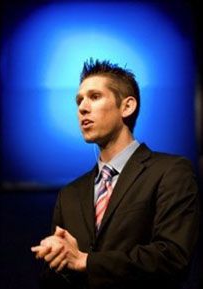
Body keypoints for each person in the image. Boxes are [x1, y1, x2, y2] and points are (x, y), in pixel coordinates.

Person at [31, 59, 199, 289]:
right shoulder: (69, 195)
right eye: (79, 100)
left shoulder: (170, 171)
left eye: (95, 96)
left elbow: (172, 257)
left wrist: (86, 261)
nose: (82, 107)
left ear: (127, 106)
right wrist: (57, 259)